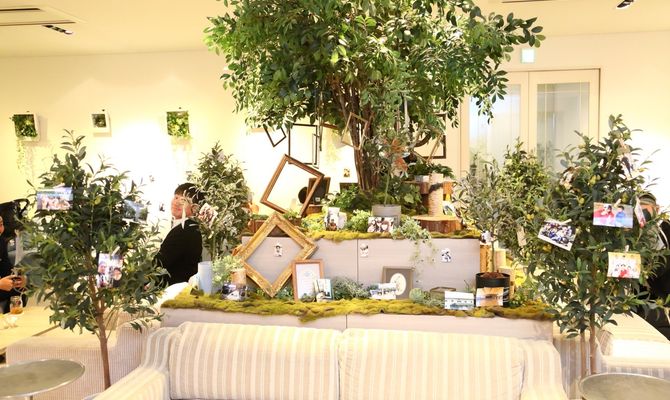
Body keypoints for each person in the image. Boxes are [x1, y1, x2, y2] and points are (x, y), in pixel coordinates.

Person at [155, 183, 203, 286]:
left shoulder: (186, 230)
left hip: (174, 288)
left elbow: (161, 262)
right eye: (176, 197)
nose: (177, 202)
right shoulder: (187, 226)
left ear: (194, 208)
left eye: (183, 200)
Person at [638, 193, 670, 340]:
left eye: (646, 208)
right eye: (640, 209)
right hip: (644, 301)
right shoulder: (635, 231)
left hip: (660, 299)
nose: (643, 213)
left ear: (657, 209)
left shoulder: (664, 229)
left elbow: (659, 268)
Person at [0, 215, 27, 313]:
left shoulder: (1, 241)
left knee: (18, 290)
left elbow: (6, 267)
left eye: (1, 225)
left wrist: (18, 279)